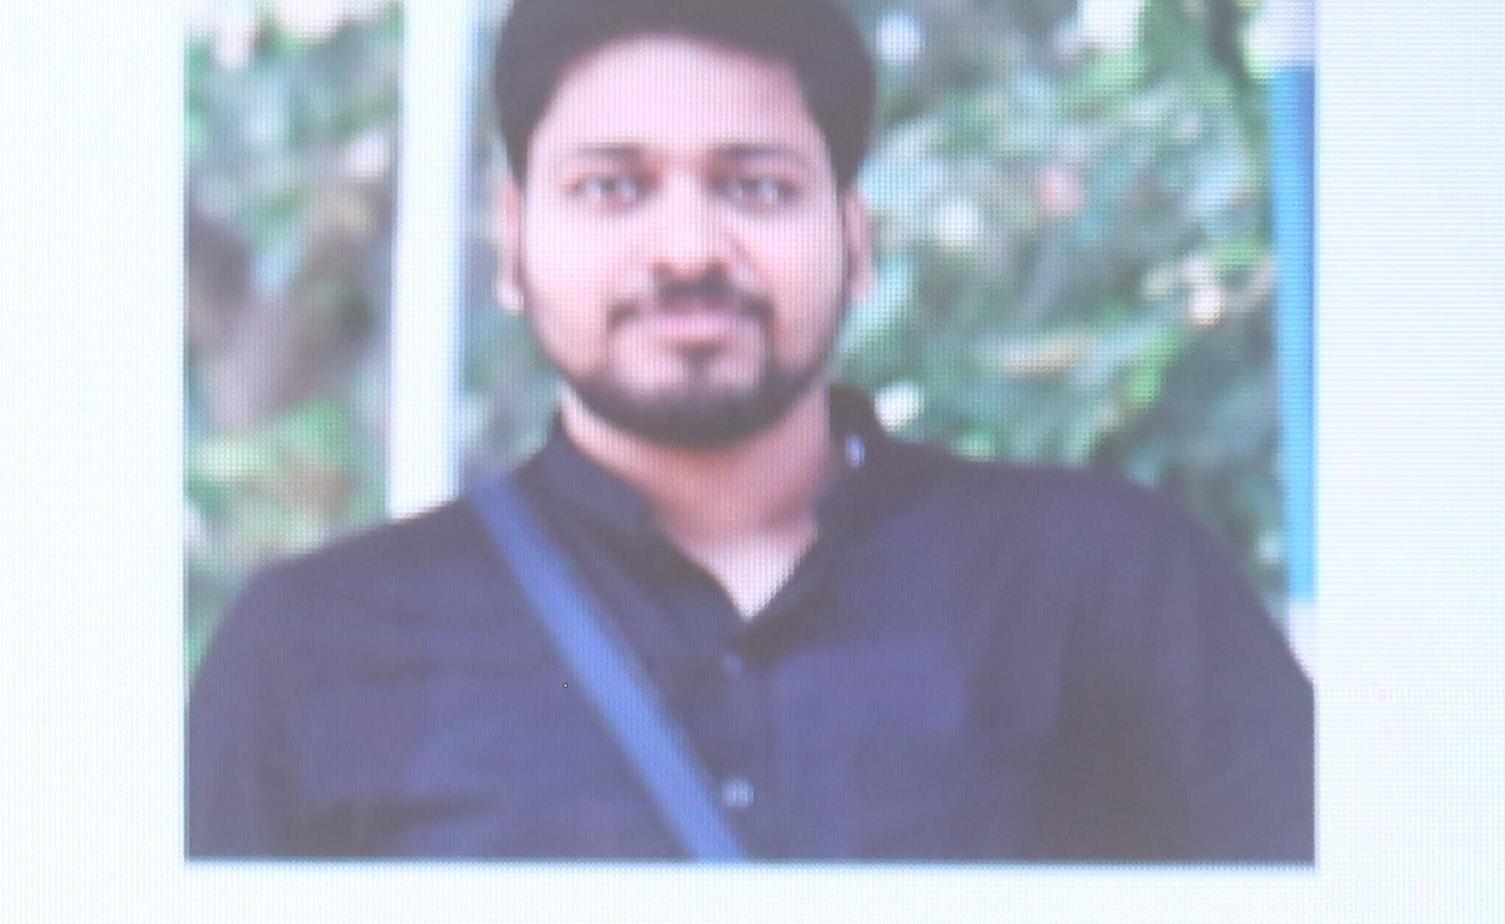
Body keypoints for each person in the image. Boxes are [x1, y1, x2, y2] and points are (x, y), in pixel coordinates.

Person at [188, 0, 1312, 863]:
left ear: (855, 240)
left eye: (757, 188)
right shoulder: (309, 654)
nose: (687, 249)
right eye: (613, 188)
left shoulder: (1111, 594)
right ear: (514, 241)